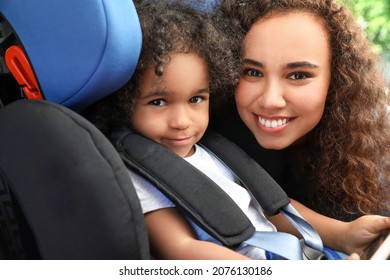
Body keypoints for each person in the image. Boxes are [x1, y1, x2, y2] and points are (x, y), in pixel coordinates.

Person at [83, 0, 390, 260]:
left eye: (195, 99)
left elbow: (269, 205)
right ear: (124, 105)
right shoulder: (141, 173)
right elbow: (183, 249)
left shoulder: (211, 148)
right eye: (159, 101)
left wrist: (344, 234)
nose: (181, 120)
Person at [212, 0, 390, 222]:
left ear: (337, 81)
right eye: (252, 72)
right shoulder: (208, 142)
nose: (270, 100)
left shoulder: (374, 148)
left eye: (298, 75)